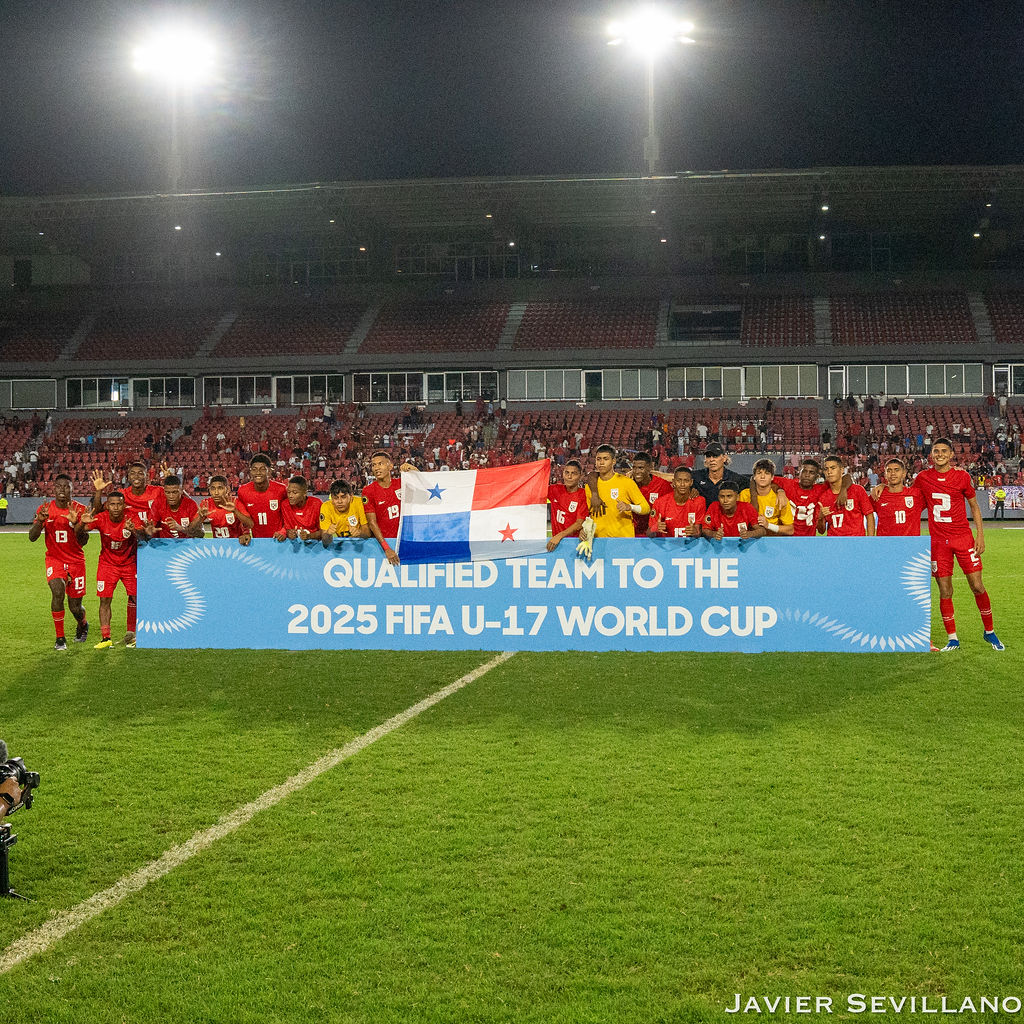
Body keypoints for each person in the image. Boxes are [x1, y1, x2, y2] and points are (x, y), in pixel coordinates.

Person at [914, 439, 1003, 651]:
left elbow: (974, 506)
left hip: (963, 538)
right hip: (938, 542)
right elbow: (909, 499)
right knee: (945, 590)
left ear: (952, 454)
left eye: (944, 451)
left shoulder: (962, 476)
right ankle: (952, 638)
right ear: (931, 454)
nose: (939, 454)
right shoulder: (922, 477)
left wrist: (980, 535)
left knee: (977, 585)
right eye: (936, 451)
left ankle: (989, 632)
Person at [76, 490, 148, 648]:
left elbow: (145, 538)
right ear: (107, 505)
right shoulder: (101, 518)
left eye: (119, 504)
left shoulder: (132, 517)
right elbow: (78, 533)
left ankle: (137, 635)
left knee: (137, 597)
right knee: (104, 600)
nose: (116, 507)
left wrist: (134, 531)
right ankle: (105, 638)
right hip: (107, 565)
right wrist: (81, 523)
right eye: (112, 504)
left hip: (130, 564)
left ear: (124, 505)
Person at [28, 473, 90, 650]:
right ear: (53, 489)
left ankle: (83, 623)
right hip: (54, 559)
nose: (62, 490)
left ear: (72, 489)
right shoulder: (45, 508)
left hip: (76, 562)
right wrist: (40, 521)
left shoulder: (80, 509)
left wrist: (75, 525)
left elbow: (84, 541)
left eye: (66, 486)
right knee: (57, 592)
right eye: (59, 486)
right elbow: (32, 537)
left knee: (75, 607)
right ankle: (60, 638)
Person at [585, 444, 650, 538]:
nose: (601, 462)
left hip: (622, 541)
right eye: (598, 459)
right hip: (598, 541)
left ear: (613, 461)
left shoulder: (626, 482)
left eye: (605, 459)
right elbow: (587, 514)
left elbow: (646, 508)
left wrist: (629, 507)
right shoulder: (590, 487)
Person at [361, 450, 412, 566]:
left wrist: (413, 470)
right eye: (373, 465)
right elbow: (372, 523)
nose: (376, 468)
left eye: (380, 463)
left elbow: (424, 485)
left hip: (404, 541)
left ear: (390, 466)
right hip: (383, 545)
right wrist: (386, 548)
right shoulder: (368, 491)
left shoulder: (402, 484)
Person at [817, 456, 875, 536]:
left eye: (833, 468)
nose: (829, 472)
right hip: (834, 544)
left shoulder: (857, 490)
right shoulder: (823, 496)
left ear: (841, 470)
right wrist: (820, 518)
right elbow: (821, 531)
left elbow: (869, 515)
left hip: (856, 543)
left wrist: (870, 541)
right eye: (826, 469)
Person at [870, 458, 926, 537]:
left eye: (896, 470)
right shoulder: (878, 495)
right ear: (885, 475)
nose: (893, 473)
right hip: (885, 546)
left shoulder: (916, 494)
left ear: (904, 473)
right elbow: (862, 510)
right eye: (889, 470)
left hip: (910, 546)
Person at [739, 458, 794, 536]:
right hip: (749, 539)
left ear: (772, 477)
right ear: (754, 477)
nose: (762, 476)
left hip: (772, 540)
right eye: (759, 473)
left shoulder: (779, 498)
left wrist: (768, 525)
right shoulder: (744, 495)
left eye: (767, 473)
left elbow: (790, 530)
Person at [237, 454, 287, 538]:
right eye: (254, 469)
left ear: (269, 471)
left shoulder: (281, 489)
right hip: (257, 541)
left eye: (262, 469)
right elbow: (243, 518)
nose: (258, 473)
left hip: (279, 540)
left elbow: (289, 514)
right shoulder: (243, 491)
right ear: (250, 471)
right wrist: (245, 533)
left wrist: (283, 532)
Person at [93, 463, 162, 525]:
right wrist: (98, 491)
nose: (136, 476)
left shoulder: (158, 492)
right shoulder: (122, 495)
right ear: (128, 477)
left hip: (155, 536)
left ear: (146, 476)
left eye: (140, 473)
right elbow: (99, 511)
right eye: (132, 473)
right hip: (130, 536)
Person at [193, 476, 254, 544]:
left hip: (237, 544)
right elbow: (192, 529)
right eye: (213, 489)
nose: (216, 493)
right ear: (209, 490)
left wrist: (235, 511)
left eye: (220, 488)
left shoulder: (235, 502)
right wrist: (200, 517)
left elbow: (250, 524)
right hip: (218, 545)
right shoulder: (206, 504)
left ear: (227, 489)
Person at [773, 459, 825, 537]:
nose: (807, 475)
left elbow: (845, 479)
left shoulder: (820, 490)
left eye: (811, 472)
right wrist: (779, 490)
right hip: (786, 539)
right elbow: (761, 480)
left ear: (817, 477)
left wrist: (844, 489)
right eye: (804, 471)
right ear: (799, 472)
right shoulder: (788, 484)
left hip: (808, 541)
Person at [648, 466, 705, 538]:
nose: (682, 484)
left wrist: (694, 532)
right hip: (667, 547)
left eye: (686, 481)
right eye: (679, 480)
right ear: (674, 482)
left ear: (691, 482)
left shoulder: (699, 502)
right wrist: (655, 528)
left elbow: (697, 533)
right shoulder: (660, 503)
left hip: (690, 546)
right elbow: (649, 533)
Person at [547, 459, 589, 551]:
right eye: (566, 473)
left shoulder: (583, 495)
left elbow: (579, 523)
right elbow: (535, 490)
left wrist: (559, 536)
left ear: (580, 476)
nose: (569, 476)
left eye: (574, 473)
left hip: (574, 544)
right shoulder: (555, 490)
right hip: (556, 545)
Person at [690, 442, 748, 507]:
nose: (711, 460)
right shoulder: (695, 476)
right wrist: (688, 490)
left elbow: (753, 484)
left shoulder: (735, 479)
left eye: (715, 456)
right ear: (705, 459)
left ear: (724, 458)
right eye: (708, 456)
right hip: (703, 516)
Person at [630, 451, 673, 536]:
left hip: (656, 536)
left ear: (650, 468)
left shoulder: (662, 485)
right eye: (634, 468)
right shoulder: (629, 485)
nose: (636, 471)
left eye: (640, 468)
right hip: (634, 535)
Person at [320, 479, 370, 546]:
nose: (339, 501)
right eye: (336, 498)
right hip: (340, 546)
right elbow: (325, 541)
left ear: (351, 496)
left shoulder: (358, 503)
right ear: (331, 498)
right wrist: (328, 533)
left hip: (357, 543)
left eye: (343, 497)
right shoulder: (326, 507)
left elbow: (368, 533)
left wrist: (359, 533)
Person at [149, 475, 199, 539]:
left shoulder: (191, 505)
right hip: (164, 546)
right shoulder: (158, 503)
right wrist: (149, 533)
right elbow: (151, 528)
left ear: (181, 490)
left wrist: (182, 529)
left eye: (175, 492)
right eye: (167, 492)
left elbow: (200, 533)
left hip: (186, 546)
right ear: (164, 491)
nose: (171, 496)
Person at [276, 476, 322, 543]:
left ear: (304, 493)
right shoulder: (285, 505)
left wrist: (310, 536)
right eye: (288, 492)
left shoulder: (316, 504)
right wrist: (289, 533)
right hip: (295, 547)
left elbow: (324, 531)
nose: (290, 496)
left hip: (315, 546)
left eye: (295, 493)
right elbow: (287, 528)